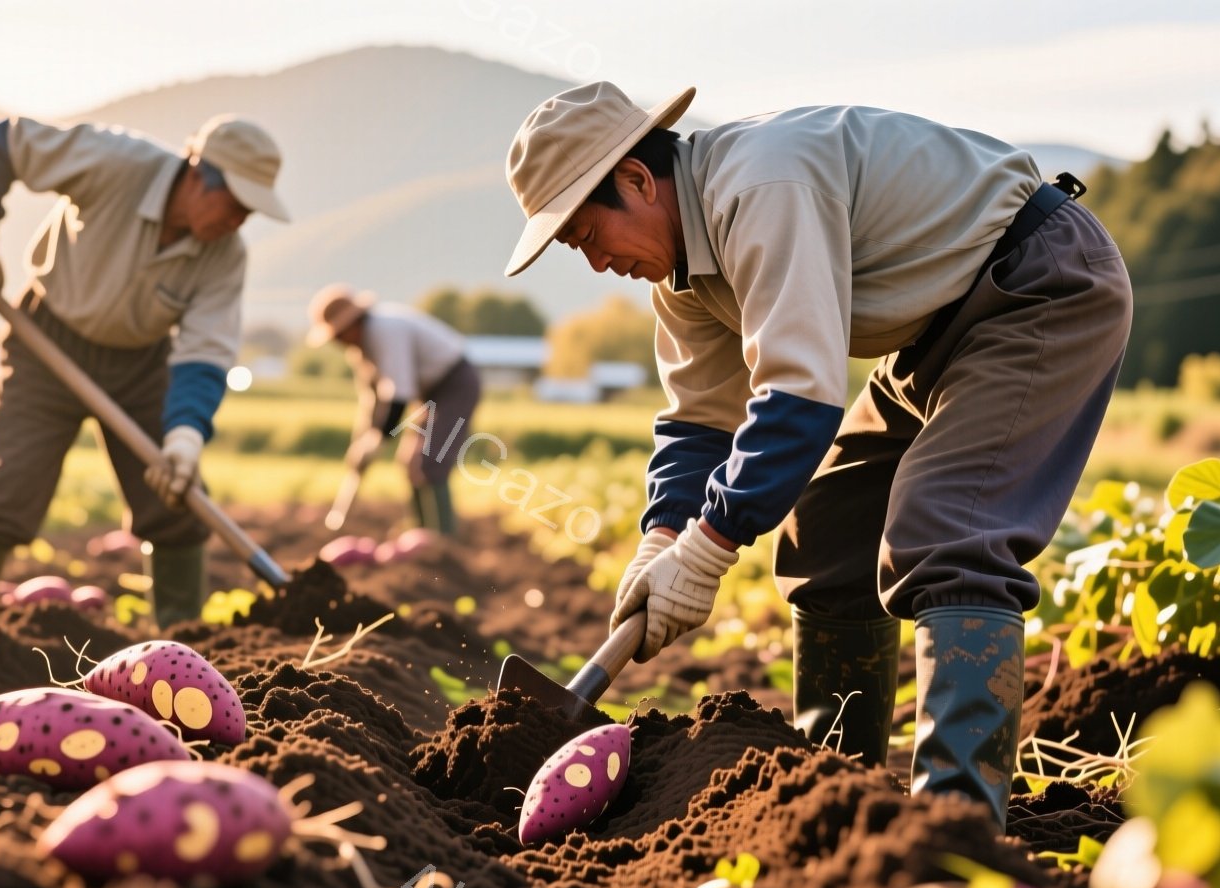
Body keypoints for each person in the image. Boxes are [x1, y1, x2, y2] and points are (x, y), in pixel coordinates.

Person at [502, 82, 1132, 831]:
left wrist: (708, 549)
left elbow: (798, 398)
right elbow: (700, 420)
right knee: (827, 531)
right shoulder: (684, 277)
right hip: (931, 333)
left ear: (637, 179)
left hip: (1036, 285)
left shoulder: (761, 185)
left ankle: (957, 828)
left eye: (587, 235)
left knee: (947, 529)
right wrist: (663, 535)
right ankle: (839, 793)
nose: (597, 263)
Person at [0, 113, 290, 627]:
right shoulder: (117, 164)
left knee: (176, 498)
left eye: (249, 212)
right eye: (235, 204)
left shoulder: (225, 257)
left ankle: (180, 644)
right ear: (198, 175)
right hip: (46, 344)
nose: (238, 222)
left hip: (140, 365)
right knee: (6, 490)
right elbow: (1, 142)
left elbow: (204, 352)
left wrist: (184, 437)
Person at [306, 285, 482, 536]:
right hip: (429, 392)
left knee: (431, 461)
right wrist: (363, 441)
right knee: (409, 461)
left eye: (339, 335)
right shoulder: (362, 351)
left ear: (353, 324)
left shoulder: (384, 331)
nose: (338, 343)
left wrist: (379, 439)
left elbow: (399, 395)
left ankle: (442, 539)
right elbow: (372, 400)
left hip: (455, 383)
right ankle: (421, 533)